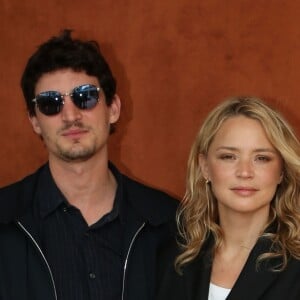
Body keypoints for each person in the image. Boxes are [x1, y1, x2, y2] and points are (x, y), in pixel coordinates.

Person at [0, 29, 178, 300]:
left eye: (85, 96)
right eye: (51, 103)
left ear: (113, 108)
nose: (70, 115)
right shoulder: (4, 219)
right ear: (35, 120)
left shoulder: (169, 222)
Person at [157, 96, 300, 300]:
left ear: (281, 172)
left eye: (261, 158)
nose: (244, 172)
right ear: (205, 167)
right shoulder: (173, 257)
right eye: (228, 156)